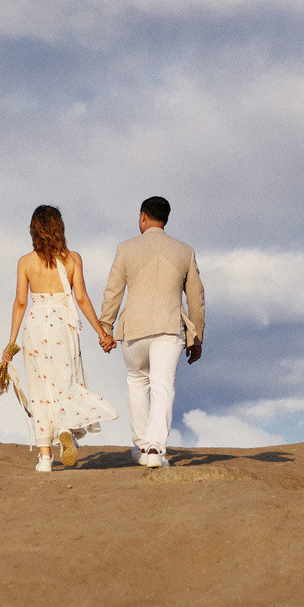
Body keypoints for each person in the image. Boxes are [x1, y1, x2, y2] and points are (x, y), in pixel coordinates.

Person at [1, 205, 121, 472]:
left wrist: (11, 343)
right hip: (62, 325)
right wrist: (102, 333)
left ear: (33, 230)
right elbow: (80, 298)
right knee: (67, 380)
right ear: (59, 228)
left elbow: (21, 302)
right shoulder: (73, 259)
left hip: (35, 325)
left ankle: (45, 457)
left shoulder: (25, 262)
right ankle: (66, 427)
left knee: (39, 388)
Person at [100, 196, 205, 468]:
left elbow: (113, 292)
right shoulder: (184, 251)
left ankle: (141, 445)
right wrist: (197, 338)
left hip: (133, 329)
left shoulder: (126, 249)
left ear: (143, 216)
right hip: (169, 328)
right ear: (165, 219)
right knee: (163, 385)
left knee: (137, 381)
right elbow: (196, 298)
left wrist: (106, 329)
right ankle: (155, 450)